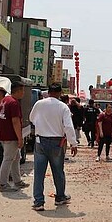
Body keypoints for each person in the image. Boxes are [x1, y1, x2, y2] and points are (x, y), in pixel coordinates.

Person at [29, 83, 78, 211]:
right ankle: (60, 197)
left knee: (39, 173)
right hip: (57, 142)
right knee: (58, 171)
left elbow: (32, 118)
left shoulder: (39, 104)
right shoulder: (63, 107)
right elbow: (68, 126)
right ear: (60, 93)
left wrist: (43, 125)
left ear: (48, 92)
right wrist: (73, 143)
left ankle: (38, 201)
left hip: (40, 141)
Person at [0, 81, 28, 192]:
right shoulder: (14, 103)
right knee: (8, 159)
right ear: (18, 90)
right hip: (11, 136)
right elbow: (15, 121)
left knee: (16, 158)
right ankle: (3, 184)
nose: (23, 93)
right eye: (22, 90)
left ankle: (17, 181)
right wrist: (20, 138)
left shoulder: (5, 100)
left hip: (5, 134)